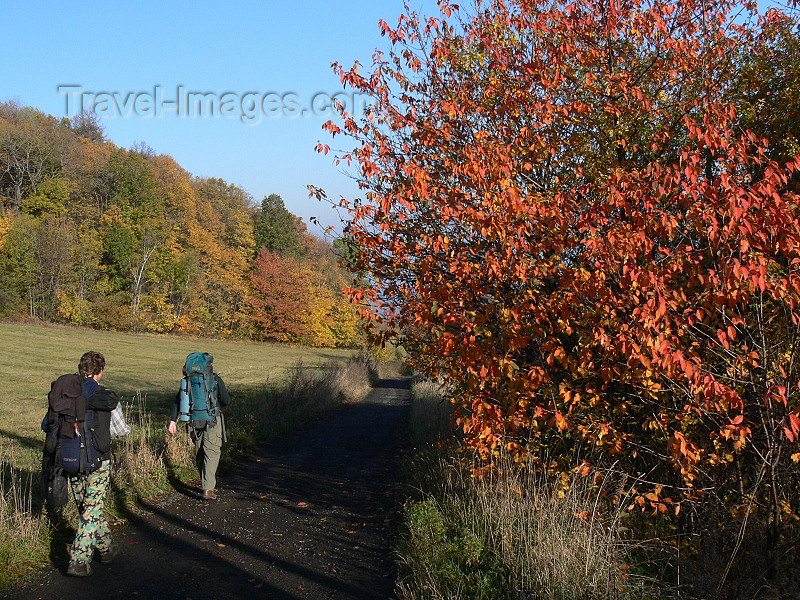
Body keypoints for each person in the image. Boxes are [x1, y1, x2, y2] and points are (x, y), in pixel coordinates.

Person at [65, 351, 120, 577]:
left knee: (87, 508)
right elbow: (120, 429)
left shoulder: (66, 391)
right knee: (92, 508)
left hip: (70, 458)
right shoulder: (103, 395)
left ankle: (106, 548)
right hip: (98, 460)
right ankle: (79, 561)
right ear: (100, 371)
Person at [167, 356, 230, 500]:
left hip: (193, 421)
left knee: (200, 451)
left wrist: (173, 420)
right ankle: (208, 489)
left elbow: (178, 401)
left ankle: (204, 482)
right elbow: (226, 400)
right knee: (212, 452)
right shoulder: (214, 379)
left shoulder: (188, 381)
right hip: (212, 420)